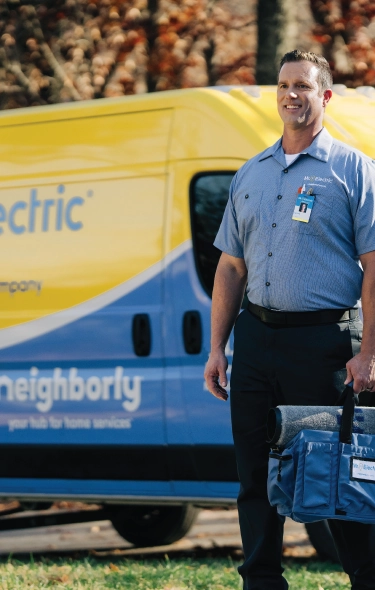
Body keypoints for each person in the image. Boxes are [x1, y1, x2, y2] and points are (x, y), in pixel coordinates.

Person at [204, 49, 375, 590]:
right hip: (256, 342)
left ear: (324, 96)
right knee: (254, 474)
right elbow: (231, 266)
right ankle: (261, 580)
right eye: (283, 85)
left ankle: (367, 578)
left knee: (335, 472)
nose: (290, 95)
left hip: (326, 343)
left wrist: (368, 351)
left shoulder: (353, 170)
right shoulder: (250, 173)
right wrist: (217, 349)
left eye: (303, 86)